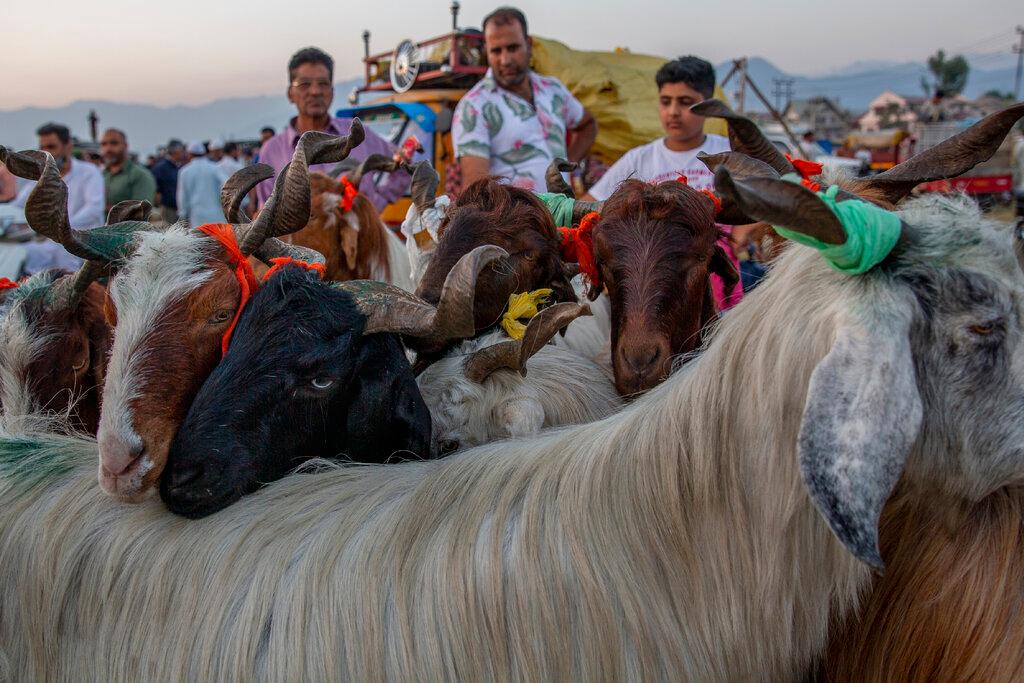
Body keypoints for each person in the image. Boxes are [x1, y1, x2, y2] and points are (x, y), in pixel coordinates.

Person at [583, 57, 747, 309]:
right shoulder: (638, 159)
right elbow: (588, 206)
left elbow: (768, 198)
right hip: (651, 286)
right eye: (665, 101)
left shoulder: (729, 153)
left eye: (686, 102)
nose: (673, 111)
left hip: (718, 276)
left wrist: (744, 230)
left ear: (707, 104)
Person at [452, 7, 596, 192]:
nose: (505, 60)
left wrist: (566, 167)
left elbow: (588, 125)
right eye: (496, 51)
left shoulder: (552, 89)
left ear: (528, 44)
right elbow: (475, 190)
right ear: (486, 52)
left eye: (513, 48)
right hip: (517, 220)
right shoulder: (473, 107)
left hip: (563, 215)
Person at [256, 47, 407, 211]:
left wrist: (378, 201)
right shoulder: (272, 151)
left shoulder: (358, 135)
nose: (315, 91)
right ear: (290, 94)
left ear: (332, 92)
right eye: (305, 84)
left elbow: (403, 165)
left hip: (360, 236)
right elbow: (267, 212)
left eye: (323, 84)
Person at [11, 123, 105, 272]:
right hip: (48, 245)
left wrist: (62, 228)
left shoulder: (89, 172)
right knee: (14, 254)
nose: (47, 154)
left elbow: (94, 208)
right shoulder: (42, 177)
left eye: (51, 147)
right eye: (43, 147)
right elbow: (16, 206)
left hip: (82, 243)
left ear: (68, 146)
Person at [100, 128, 157, 211]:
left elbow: (140, 213)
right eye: (104, 144)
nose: (108, 149)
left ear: (125, 146)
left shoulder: (140, 175)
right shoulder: (101, 174)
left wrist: (103, 207)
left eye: (114, 143)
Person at [176, 141, 228, 226]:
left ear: (189, 154)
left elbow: (182, 195)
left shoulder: (184, 171)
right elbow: (226, 184)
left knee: (200, 238)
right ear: (204, 153)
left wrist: (183, 214)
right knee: (218, 238)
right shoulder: (215, 168)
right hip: (217, 214)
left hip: (196, 216)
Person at [151, 139, 187, 223]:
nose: (183, 153)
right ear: (175, 152)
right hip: (169, 209)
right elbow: (156, 189)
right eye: (182, 151)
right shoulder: (160, 168)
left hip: (180, 208)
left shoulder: (179, 166)